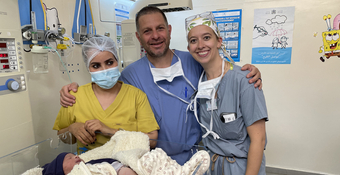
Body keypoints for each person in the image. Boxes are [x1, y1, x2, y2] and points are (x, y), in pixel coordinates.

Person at [59, 7, 262, 165]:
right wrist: (73, 89)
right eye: (147, 31)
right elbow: (106, 86)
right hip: (149, 160)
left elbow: (221, 73)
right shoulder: (130, 75)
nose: (155, 36)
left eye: (160, 28)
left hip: (196, 156)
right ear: (139, 37)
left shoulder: (193, 62)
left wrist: (249, 71)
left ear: (169, 30)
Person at [186, 12, 268, 175]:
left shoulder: (245, 80)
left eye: (206, 37)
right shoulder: (197, 82)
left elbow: (259, 139)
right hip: (211, 168)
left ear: (219, 41)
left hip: (241, 170)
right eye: (193, 40)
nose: (200, 45)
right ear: (189, 47)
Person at [54, 36, 159, 154]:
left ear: (117, 61)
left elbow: (153, 139)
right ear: (88, 68)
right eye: (96, 66)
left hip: (128, 164)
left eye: (109, 63)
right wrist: (71, 129)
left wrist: (110, 131)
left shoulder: (136, 96)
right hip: (89, 166)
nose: (104, 70)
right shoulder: (75, 97)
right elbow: (62, 137)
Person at [42, 152, 145, 175]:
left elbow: (108, 162)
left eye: (74, 155)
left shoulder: (88, 165)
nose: (76, 156)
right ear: (61, 170)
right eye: (69, 158)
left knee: (126, 173)